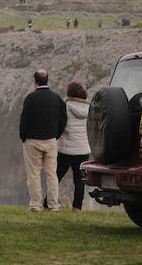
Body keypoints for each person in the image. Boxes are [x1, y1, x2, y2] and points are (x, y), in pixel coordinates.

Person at [19, 69, 67, 212]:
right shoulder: (56, 98)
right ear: (47, 79)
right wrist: (56, 134)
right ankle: (53, 205)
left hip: (32, 141)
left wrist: (23, 136)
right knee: (52, 174)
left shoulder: (30, 98)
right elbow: (63, 119)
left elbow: (24, 120)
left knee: (34, 174)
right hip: (50, 140)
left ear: (35, 81)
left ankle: (36, 205)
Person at [56, 82, 91, 212]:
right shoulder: (89, 109)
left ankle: (48, 204)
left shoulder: (65, 106)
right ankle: (77, 207)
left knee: (56, 176)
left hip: (67, 148)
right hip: (83, 149)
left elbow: (61, 125)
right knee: (79, 180)